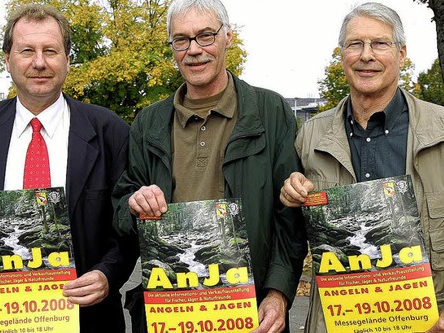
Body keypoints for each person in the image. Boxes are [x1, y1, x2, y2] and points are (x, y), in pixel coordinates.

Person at [279, 2, 444, 333]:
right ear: (342, 55)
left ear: (401, 54)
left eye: (379, 43)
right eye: (355, 44)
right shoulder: (310, 137)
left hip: (433, 323)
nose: (366, 55)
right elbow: (293, 236)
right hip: (339, 322)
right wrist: (292, 194)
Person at [0, 4, 138, 332]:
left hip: (85, 315)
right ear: (8, 59)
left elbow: (126, 228)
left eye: (51, 51)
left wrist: (107, 275)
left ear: (68, 60)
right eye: (27, 50)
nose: (40, 62)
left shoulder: (110, 130)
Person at [110, 0, 307, 331]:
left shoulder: (270, 111)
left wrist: (278, 294)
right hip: (170, 313)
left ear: (227, 37)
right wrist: (132, 204)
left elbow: (289, 217)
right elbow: (122, 207)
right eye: (181, 39)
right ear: (172, 46)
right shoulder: (149, 123)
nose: (193, 50)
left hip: (249, 312)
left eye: (205, 36)